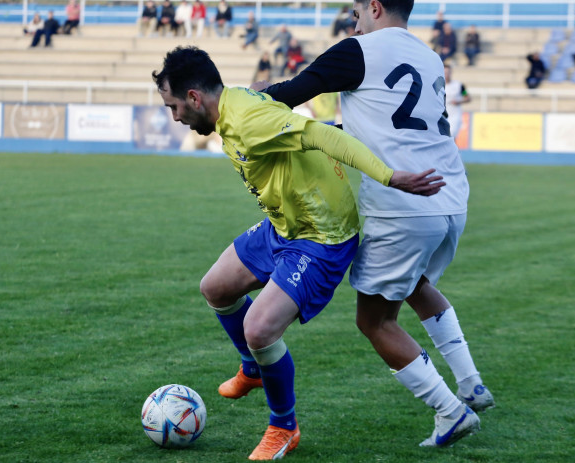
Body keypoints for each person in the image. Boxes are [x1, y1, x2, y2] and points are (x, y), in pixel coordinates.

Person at [152, 45, 445, 460]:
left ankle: (283, 427)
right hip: (284, 226)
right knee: (216, 288)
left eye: (174, 106)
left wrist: (389, 176)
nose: (175, 116)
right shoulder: (234, 104)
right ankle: (252, 368)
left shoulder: (248, 119)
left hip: (321, 236)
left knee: (259, 329)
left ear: (195, 98)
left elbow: (320, 134)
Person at [259, 0, 493, 448]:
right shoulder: (428, 55)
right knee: (417, 283)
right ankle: (471, 384)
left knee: (375, 321)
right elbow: (383, 117)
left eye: (355, 10)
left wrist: (243, 98)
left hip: (403, 203)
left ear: (374, 7)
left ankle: (451, 412)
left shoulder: (357, 50)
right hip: (450, 196)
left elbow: (290, 92)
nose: (353, 20)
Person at [444, 63, 471, 140]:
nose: (446, 74)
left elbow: (467, 97)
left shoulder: (459, 86)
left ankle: (454, 152)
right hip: (442, 116)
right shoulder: (438, 86)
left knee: (452, 136)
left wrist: (458, 102)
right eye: (445, 72)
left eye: (448, 72)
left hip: (455, 116)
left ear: (451, 72)